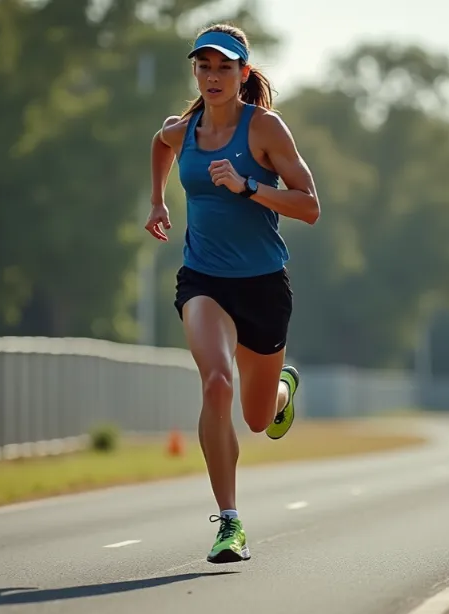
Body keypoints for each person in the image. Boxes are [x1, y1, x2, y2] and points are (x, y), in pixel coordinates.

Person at [145, 23, 320, 564]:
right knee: (216, 382)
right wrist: (158, 201)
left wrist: (248, 187)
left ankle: (283, 389)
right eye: (204, 66)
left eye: (224, 67)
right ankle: (229, 522)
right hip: (204, 280)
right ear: (194, 72)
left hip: (264, 286)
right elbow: (159, 142)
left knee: (258, 419)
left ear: (244, 74)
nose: (213, 76)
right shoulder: (184, 129)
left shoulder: (264, 129)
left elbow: (309, 205)